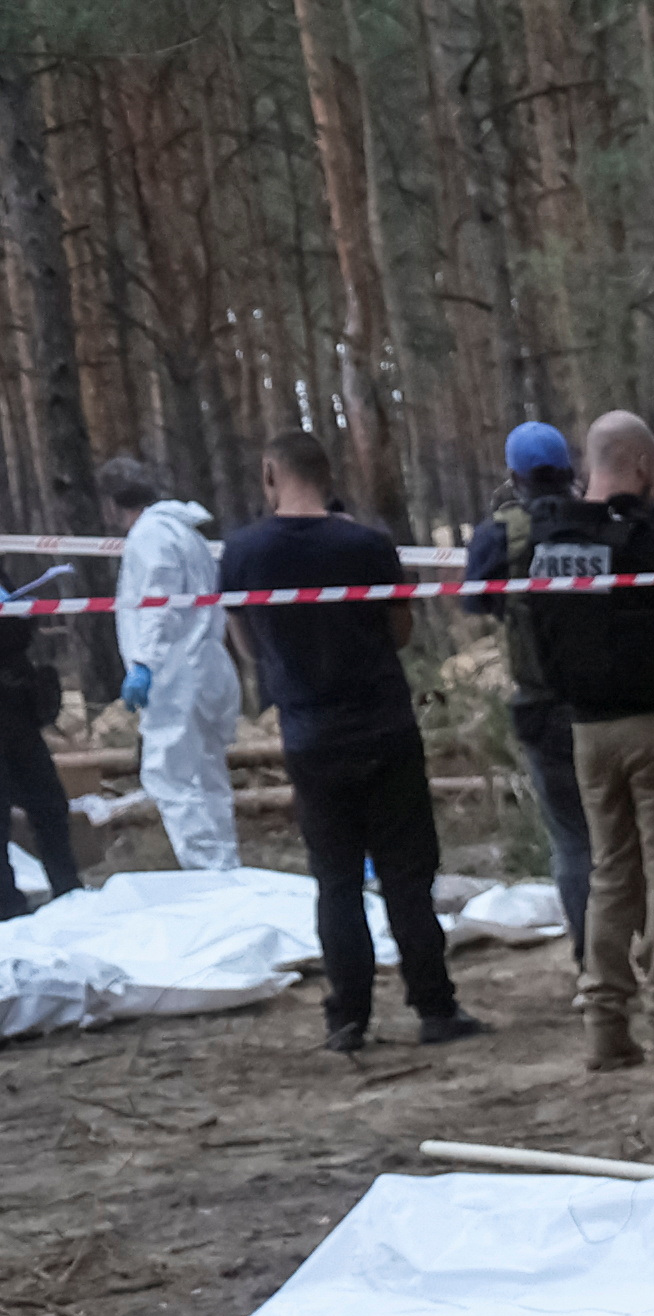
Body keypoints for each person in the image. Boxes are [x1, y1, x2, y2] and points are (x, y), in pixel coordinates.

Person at [214, 428, 478, 1057]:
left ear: (271, 474)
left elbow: (247, 645)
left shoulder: (243, 552)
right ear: (328, 476)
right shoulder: (367, 544)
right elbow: (401, 631)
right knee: (407, 877)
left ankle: (348, 1017)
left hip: (309, 734)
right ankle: (435, 1007)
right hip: (384, 726)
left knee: (335, 881)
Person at [519, 415, 654, 1071]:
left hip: (586, 729)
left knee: (610, 872)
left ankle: (605, 1024)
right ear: (643, 466)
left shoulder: (547, 546)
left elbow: (536, 645)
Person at [458, 423, 598, 963]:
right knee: (626, 835)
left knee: (572, 840)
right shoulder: (598, 520)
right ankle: (648, 950)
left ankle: (593, 961)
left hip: (543, 704)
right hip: (610, 701)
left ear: (514, 477)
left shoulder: (499, 534)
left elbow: (476, 602)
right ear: (568, 470)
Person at [107, 455, 236, 872]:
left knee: (169, 776)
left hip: (175, 672)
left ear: (114, 504)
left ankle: (206, 869)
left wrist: (144, 663)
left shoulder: (150, 537)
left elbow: (157, 603)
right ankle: (225, 865)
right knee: (208, 772)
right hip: (205, 662)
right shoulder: (184, 533)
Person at [0, 577, 79, 912]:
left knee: (49, 803)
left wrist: (23, 612)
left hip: (17, 707)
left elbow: (20, 632)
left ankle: (68, 887)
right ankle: (6, 903)